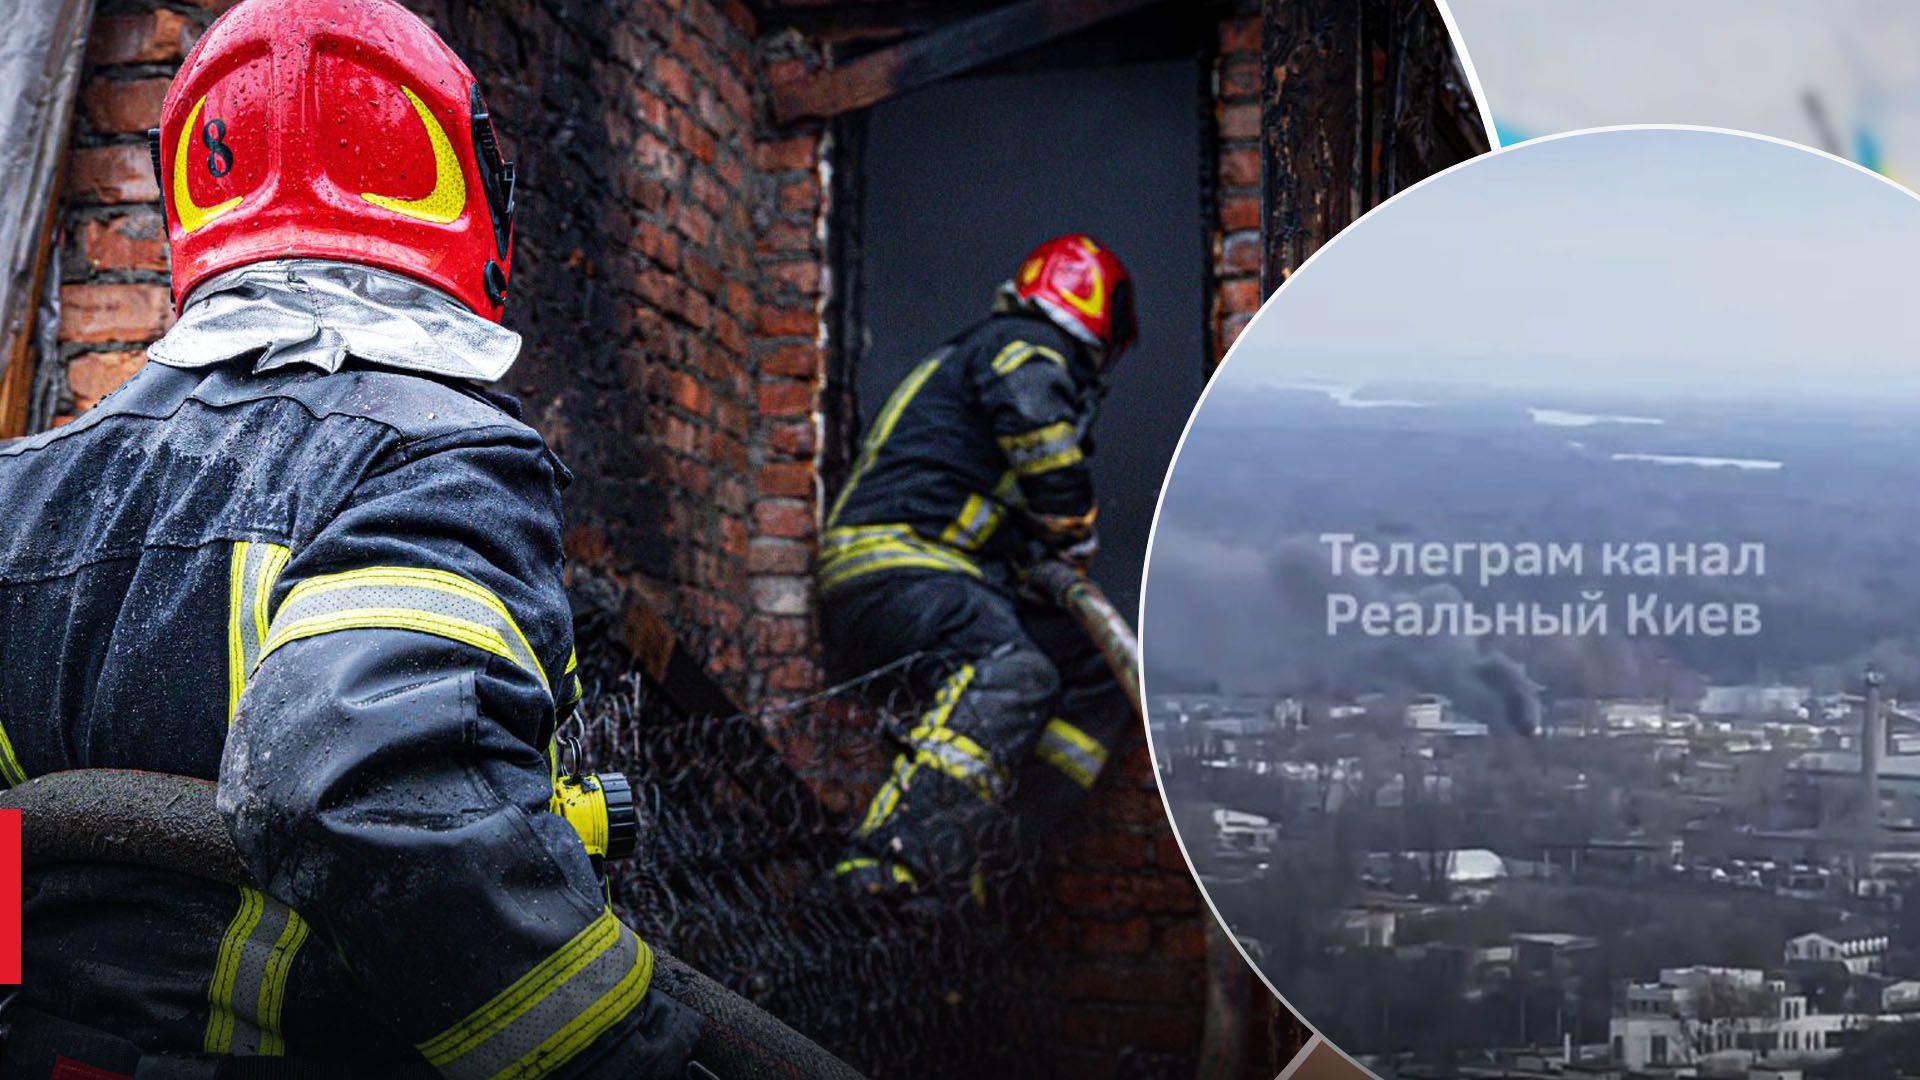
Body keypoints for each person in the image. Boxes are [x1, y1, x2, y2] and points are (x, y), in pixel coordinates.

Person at [0, 1, 700, 1076]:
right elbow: (367, 786)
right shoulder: (435, 459)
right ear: (464, 192)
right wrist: (626, 1058)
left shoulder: (24, 487)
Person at [817, 235, 1140, 906]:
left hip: (939, 576)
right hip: (892, 571)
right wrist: (1071, 526)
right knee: (1015, 670)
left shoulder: (992, 353)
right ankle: (886, 864)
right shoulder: (1022, 345)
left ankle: (995, 861)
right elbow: (1038, 426)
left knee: (1095, 672)